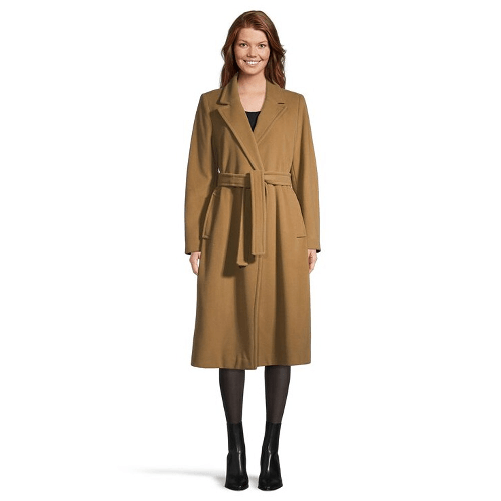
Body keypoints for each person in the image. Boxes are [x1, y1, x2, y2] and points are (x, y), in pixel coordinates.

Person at [184, 10, 321, 491]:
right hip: (227, 224)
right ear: (231, 49)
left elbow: (306, 172)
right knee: (228, 333)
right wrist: (194, 240)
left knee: (282, 331)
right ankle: (235, 447)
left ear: (272, 51)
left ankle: (271, 449)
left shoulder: (294, 104)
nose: (252, 53)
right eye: (244, 44)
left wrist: (311, 238)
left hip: (283, 225)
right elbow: (199, 172)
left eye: (261, 45)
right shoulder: (210, 104)